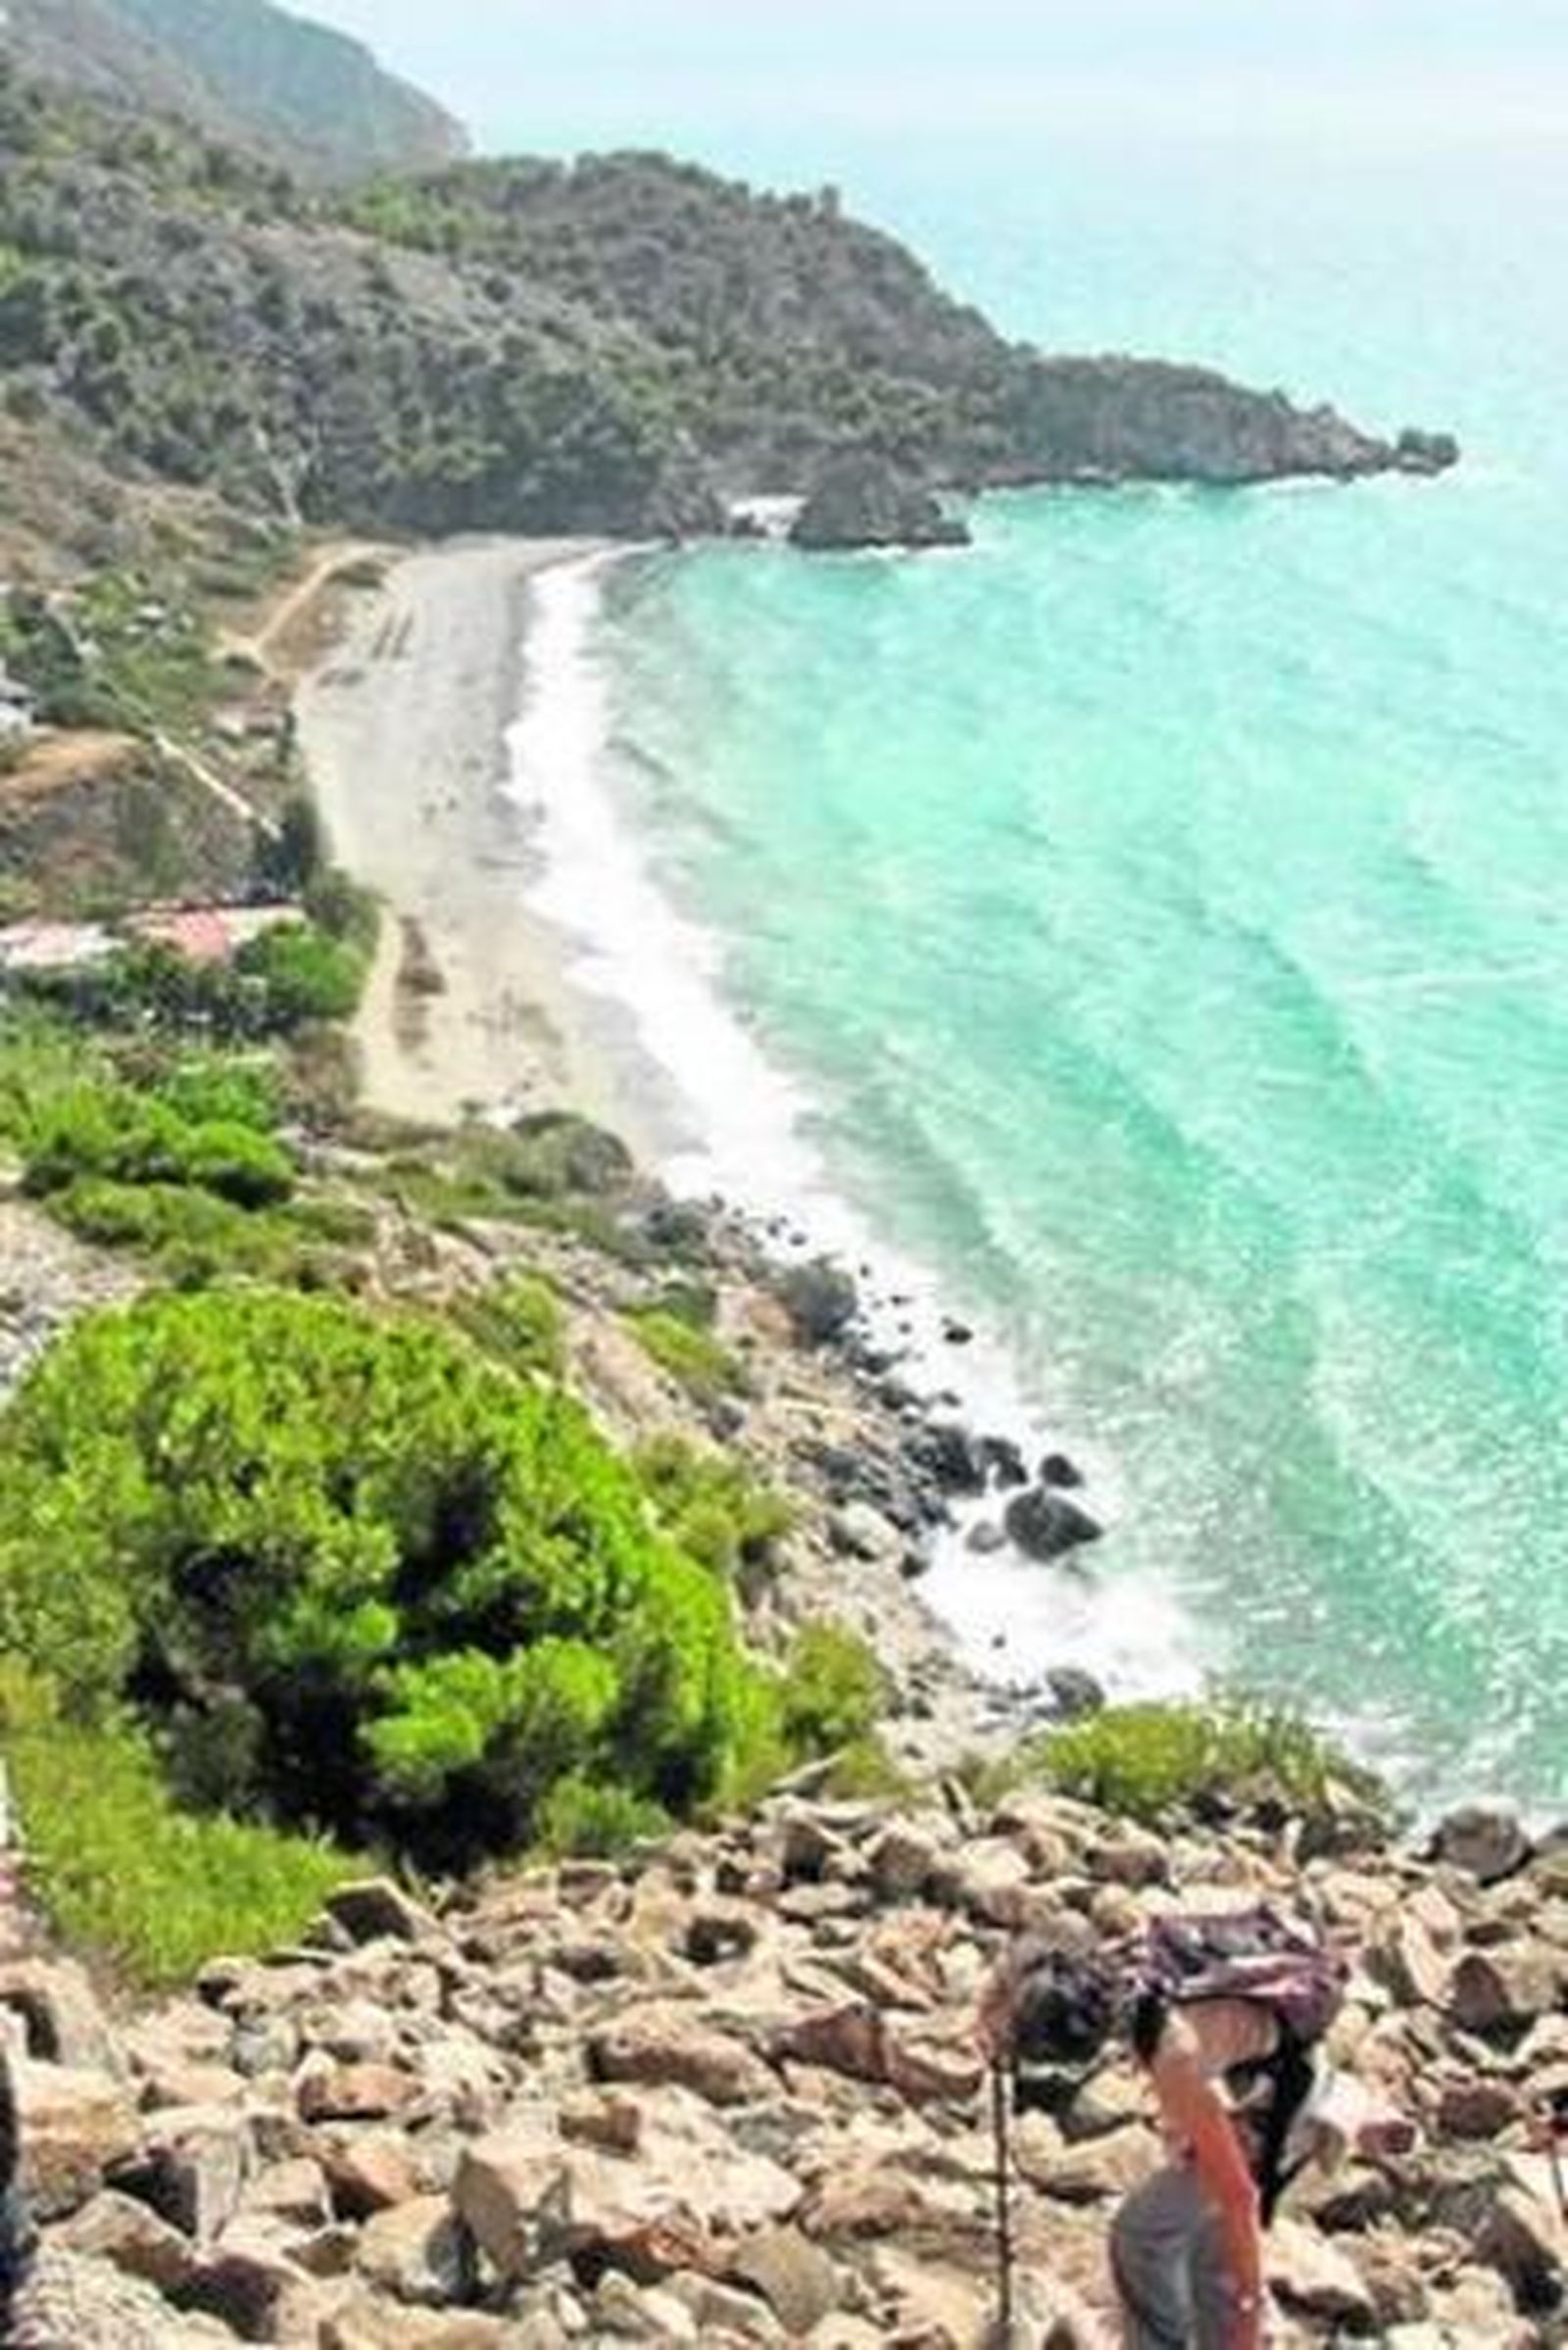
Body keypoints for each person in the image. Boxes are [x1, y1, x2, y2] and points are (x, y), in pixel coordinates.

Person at [979, 1913, 1413, 2350]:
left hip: (1280, 2113)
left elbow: (1238, 2194)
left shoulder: (1175, 2054)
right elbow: (1015, 1988)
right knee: (1207, 2256)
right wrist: (993, 2024)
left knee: (1142, 2235)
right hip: (1269, 2078)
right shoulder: (1116, 1972)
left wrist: (1250, 2310)